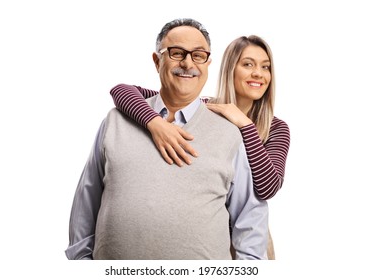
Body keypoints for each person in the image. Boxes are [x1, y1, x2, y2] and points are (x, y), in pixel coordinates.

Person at [65, 18, 268, 260]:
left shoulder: (229, 132)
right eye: (176, 53)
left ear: (208, 63)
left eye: (198, 55)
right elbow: (87, 199)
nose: (187, 63)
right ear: (157, 60)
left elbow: (250, 216)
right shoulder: (116, 121)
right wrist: (80, 262)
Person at [109, 35, 290, 259]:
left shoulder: (276, 128)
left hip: (249, 239)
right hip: (204, 238)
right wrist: (154, 123)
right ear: (230, 69)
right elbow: (122, 91)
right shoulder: (204, 108)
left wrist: (245, 125)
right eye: (248, 64)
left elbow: (268, 187)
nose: (258, 74)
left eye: (266, 67)